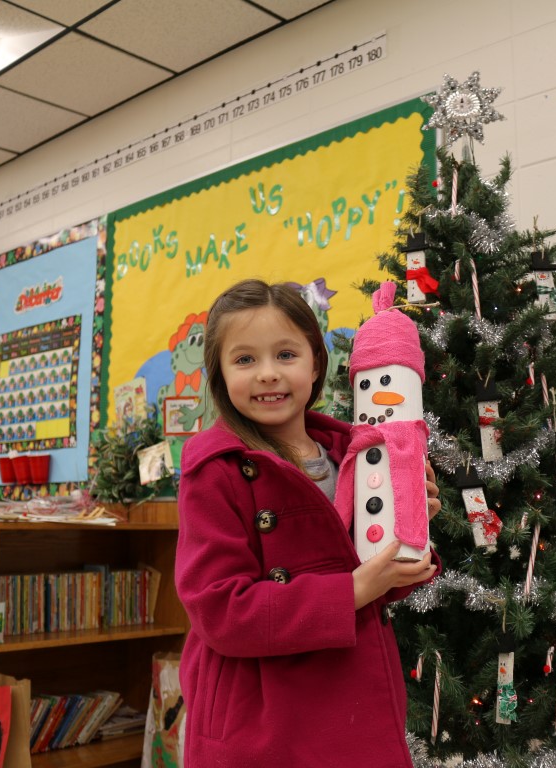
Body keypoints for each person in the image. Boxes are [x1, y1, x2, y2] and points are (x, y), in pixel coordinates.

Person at [175, 278, 442, 767]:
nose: (268, 374)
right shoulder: (215, 470)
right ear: (219, 373)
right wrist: (351, 591)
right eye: (244, 359)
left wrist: (410, 530)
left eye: (286, 354)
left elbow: (376, 582)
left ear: (316, 363)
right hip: (262, 719)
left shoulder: (352, 454)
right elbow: (220, 611)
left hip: (354, 705)